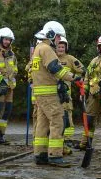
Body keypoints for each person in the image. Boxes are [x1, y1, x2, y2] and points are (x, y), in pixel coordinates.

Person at [30, 21, 79, 167]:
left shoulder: (39, 48)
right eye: (58, 37)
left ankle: (41, 154)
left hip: (40, 93)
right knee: (58, 121)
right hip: (49, 94)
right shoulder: (46, 49)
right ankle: (55, 155)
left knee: (42, 124)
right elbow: (55, 68)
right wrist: (74, 77)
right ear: (51, 35)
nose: (59, 41)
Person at [56, 36, 85, 156]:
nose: (61, 49)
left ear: (66, 48)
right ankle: (57, 141)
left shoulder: (70, 59)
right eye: (59, 46)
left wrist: (75, 77)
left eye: (63, 47)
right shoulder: (51, 57)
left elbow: (82, 70)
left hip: (65, 94)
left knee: (67, 116)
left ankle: (67, 139)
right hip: (51, 93)